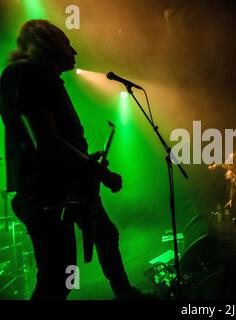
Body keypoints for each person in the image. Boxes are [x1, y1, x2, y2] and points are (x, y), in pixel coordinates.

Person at [0, 20, 140, 299]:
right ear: (47, 43)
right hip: (48, 195)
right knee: (57, 278)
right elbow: (46, 142)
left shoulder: (40, 77)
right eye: (67, 43)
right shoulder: (27, 73)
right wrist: (99, 172)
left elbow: (52, 141)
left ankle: (126, 294)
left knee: (106, 236)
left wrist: (84, 159)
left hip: (69, 187)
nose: (74, 51)